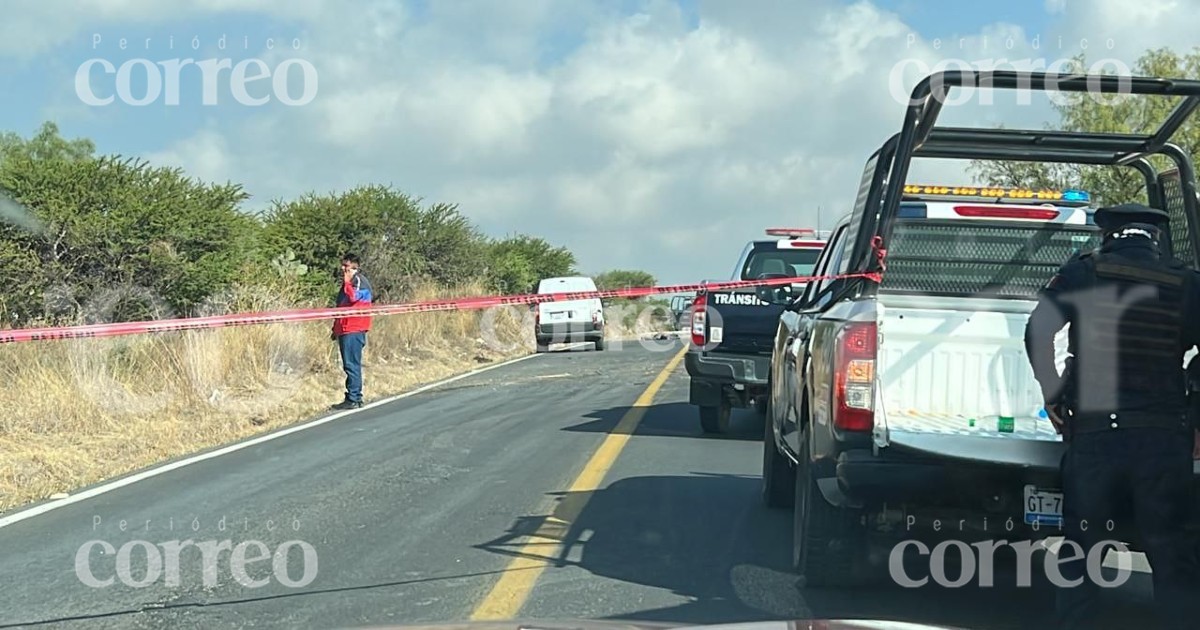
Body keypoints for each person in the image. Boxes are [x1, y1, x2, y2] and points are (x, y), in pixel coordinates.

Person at [1024, 203, 1200, 630]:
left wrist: (1052, 393)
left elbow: (1038, 329)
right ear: (1156, 238)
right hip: (1163, 440)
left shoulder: (1085, 272)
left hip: (1096, 436)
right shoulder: (1187, 282)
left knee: (1082, 553)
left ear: (1108, 234)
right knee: (1172, 555)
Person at [331, 254, 373, 410]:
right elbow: (342, 308)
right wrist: (335, 329)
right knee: (349, 364)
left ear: (354, 267)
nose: (343, 269)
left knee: (351, 364)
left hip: (354, 329)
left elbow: (354, 298)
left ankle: (354, 398)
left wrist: (348, 282)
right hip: (345, 329)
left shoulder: (359, 282)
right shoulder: (346, 285)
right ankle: (353, 396)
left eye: (346, 266)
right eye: (342, 265)